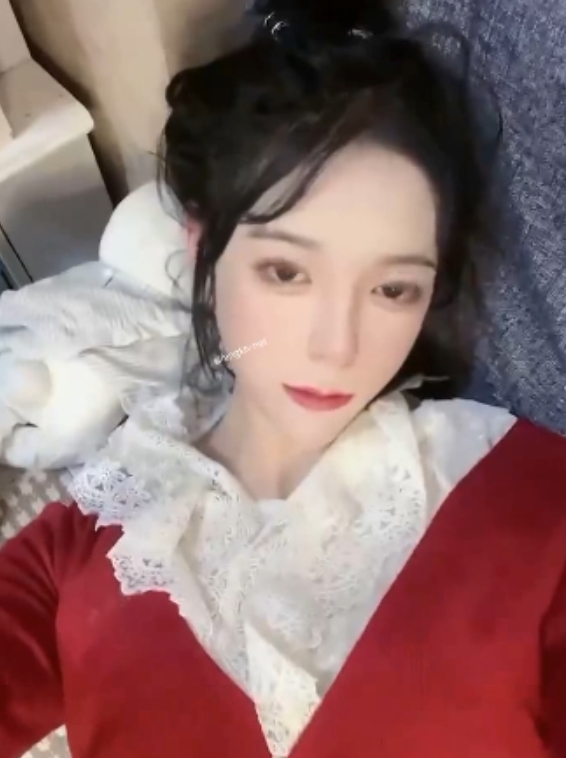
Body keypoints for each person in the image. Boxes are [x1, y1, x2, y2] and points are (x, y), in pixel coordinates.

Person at [1, 1, 566, 757]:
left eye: (393, 288)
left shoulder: (530, 497)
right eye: (287, 272)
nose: (338, 348)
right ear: (202, 249)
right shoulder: (84, 536)